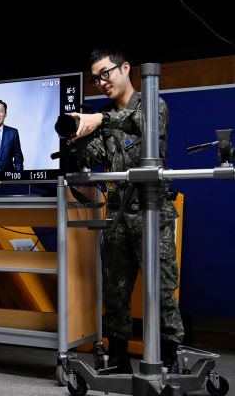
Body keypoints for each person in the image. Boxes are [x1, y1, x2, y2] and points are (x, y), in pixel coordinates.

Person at [69, 47, 184, 373]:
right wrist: (76, 136)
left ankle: (170, 359)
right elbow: (92, 156)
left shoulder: (153, 105)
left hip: (152, 214)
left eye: (105, 73)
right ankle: (118, 360)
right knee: (115, 292)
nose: (102, 82)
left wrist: (100, 119)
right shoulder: (102, 120)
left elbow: (144, 125)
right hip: (117, 215)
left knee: (162, 291)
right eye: (95, 79)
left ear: (125, 68)